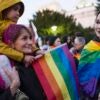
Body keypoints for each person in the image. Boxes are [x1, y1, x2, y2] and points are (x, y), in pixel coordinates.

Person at [3, 24, 47, 100]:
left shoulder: (36, 60)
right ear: (11, 44)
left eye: (30, 38)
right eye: (24, 38)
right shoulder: (6, 69)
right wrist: (14, 86)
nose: (30, 42)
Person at [0, 0, 43, 67]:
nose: (18, 13)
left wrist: (35, 50)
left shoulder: (14, 26)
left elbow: (27, 42)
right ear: (4, 8)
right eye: (15, 9)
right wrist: (22, 57)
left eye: (19, 11)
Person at [78, 12, 100, 99]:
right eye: (98, 22)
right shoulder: (89, 49)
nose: (99, 26)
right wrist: (97, 93)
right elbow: (84, 81)